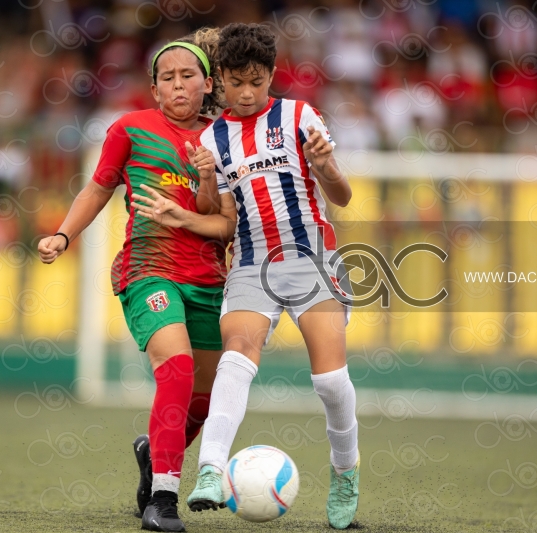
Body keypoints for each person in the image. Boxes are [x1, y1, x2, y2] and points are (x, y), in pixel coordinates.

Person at [130, 22, 360, 530]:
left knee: (329, 380)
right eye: (237, 82)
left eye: (257, 81)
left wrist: (326, 167)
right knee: (235, 357)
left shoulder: (301, 116)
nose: (248, 92)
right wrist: (204, 187)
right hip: (252, 263)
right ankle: (210, 470)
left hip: (312, 258)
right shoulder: (213, 138)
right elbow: (224, 217)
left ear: (272, 75)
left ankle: (346, 475)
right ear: (221, 83)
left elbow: (341, 197)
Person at [37, 29, 228, 533]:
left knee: (206, 401)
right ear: (155, 87)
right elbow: (97, 189)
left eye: (189, 76)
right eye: (167, 78)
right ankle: (163, 499)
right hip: (149, 268)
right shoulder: (130, 129)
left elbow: (219, 215)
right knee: (177, 368)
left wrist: (207, 174)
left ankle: (152, 451)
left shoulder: (223, 137)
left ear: (208, 84)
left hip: (209, 277)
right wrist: (63, 234)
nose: (178, 85)